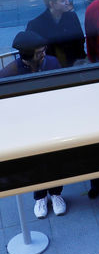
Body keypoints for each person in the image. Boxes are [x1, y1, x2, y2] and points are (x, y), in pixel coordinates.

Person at [0, 31, 65, 216]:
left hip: (51, 120)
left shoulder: (52, 63)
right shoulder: (10, 72)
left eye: (43, 50)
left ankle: (56, 193)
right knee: (35, 160)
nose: (44, 54)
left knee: (55, 157)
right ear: (27, 56)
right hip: (27, 125)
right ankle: (40, 197)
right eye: (39, 52)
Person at [25, 0, 86, 68]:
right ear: (52, 4)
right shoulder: (35, 25)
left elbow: (80, 41)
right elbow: (31, 52)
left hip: (74, 65)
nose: (68, 2)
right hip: (51, 69)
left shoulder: (72, 17)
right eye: (63, 0)